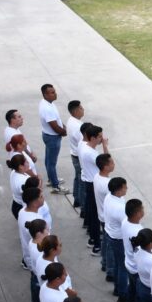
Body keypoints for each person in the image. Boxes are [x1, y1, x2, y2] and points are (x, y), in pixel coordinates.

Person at [79, 124, 108, 254]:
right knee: (96, 215)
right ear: (92, 138)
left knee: (92, 213)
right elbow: (107, 163)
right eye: (100, 137)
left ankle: (92, 238)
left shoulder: (83, 146)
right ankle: (96, 245)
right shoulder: (91, 153)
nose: (102, 138)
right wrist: (105, 146)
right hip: (92, 184)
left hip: (88, 181)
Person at [39, 84, 70, 194]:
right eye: (52, 92)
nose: (55, 94)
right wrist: (64, 132)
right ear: (45, 95)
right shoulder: (47, 108)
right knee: (51, 163)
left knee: (48, 159)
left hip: (48, 135)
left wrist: (63, 126)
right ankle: (56, 186)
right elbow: (54, 126)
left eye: (54, 91)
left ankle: (51, 179)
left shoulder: (47, 103)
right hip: (52, 137)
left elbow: (57, 120)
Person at [103, 176, 129, 302]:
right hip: (119, 239)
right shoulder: (120, 208)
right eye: (124, 187)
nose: (126, 189)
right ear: (118, 190)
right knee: (123, 267)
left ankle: (118, 288)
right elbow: (127, 225)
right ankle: (123, 294)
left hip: (110, 234)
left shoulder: (109, 197)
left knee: (118, 264)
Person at [94, 154, 117, 283]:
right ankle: (110, 271)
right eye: (111, 163)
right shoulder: (108, 184)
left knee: (105, 242)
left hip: (101, 215)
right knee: (110, 246)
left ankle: (104, 262)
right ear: (105, 166)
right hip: (107, 218)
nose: (114, 164)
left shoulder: (97, 177)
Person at [65, 100, 85, 208]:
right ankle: (82, 204)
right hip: (79, 156)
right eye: (81, 108)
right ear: (76, 111)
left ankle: (76, 199)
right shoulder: (78, 126)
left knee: (77, 177)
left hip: (74, 154)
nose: (83, 109)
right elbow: (83, 142)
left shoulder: (71, 121)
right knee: (82, 181)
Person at [8, 155, 31, 220]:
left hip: (16, 204)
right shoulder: (23, 181)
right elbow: (27, 199)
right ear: (20, 166)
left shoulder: (13, 172)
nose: (28, 162)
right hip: (22, 208)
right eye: (26, 161)